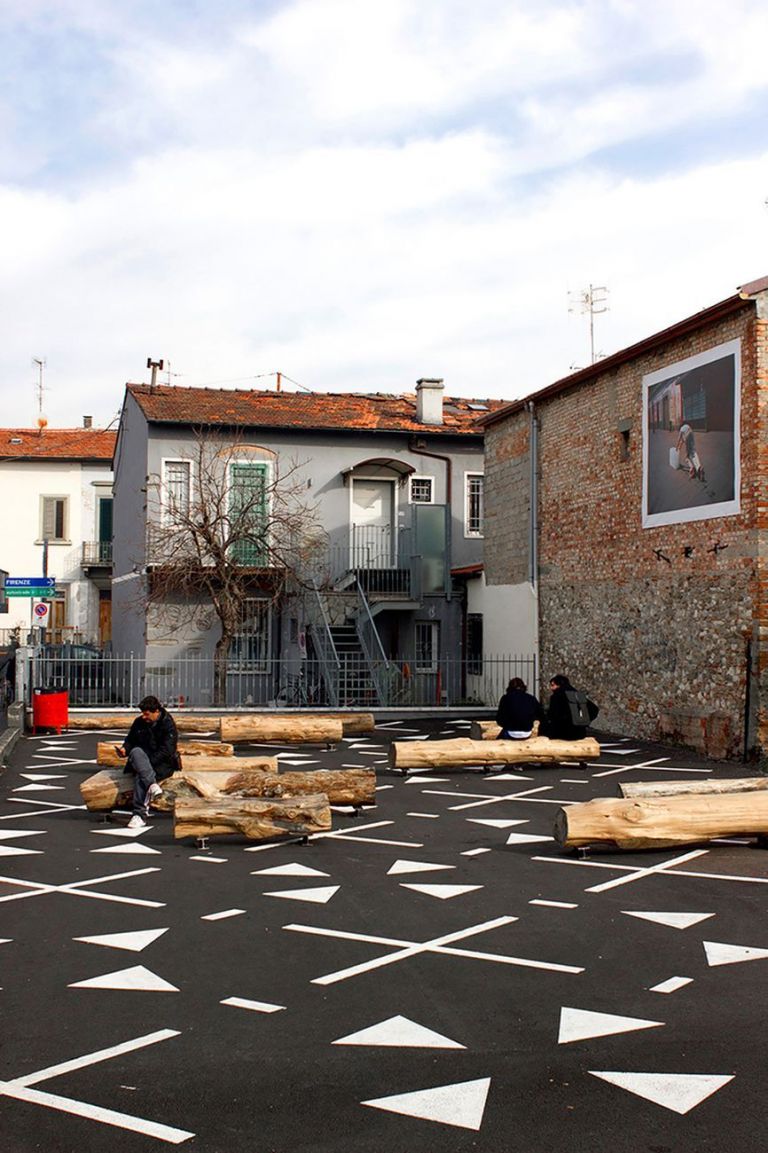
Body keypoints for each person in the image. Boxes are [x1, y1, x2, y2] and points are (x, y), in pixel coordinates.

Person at [117, 695, 179, 829]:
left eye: (147, 714)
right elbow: (130, 740)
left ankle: (139, 814)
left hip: (162, 763)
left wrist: (147, 764)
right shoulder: (139, 722)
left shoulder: (168, 724)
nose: (144, 717)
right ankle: (152, 785)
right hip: (142, 758)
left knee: (142, 775)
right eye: (143, 714)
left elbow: (167, 750)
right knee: (135, 752)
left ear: (157, 711)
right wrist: (124, 749)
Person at [540, 674, 593, 741]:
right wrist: (583, 721)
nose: (551, 688)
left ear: (559, 685)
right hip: (578, 732)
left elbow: (553, 715)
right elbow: (592, 709)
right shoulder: (577, 695)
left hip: (561, 732)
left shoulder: (557, 696)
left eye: (553, 685)